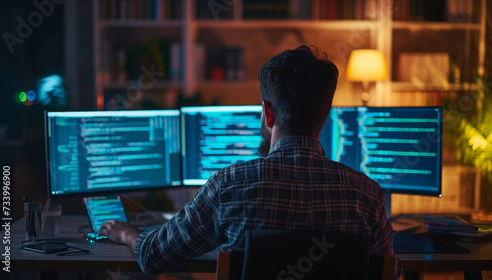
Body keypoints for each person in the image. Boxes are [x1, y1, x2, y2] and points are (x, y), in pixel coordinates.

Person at [99, 45, 402, 279]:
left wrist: (126, 232)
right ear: (325, 113)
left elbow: (154, 257)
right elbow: (390, 271)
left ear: (268, 114)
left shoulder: (229, 185)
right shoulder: (367, 193)